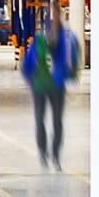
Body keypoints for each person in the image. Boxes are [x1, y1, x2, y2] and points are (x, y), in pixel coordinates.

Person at [23, 13, 80, 171]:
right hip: (45, 86)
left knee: (53, 121)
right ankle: (47, 154)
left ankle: (52, 155)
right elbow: (28, 63)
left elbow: (72, 60)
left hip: (49, 87)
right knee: (47, 120)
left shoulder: (63, 40)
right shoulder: (61, 40)